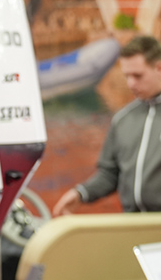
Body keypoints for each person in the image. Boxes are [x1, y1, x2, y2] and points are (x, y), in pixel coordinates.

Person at [53, 35, 161, 216]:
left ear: (159, 67)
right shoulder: (122, 119)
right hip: (131, 226)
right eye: (127, 76)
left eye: (137, 75)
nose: (131, 84)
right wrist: (80, 193)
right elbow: (110, 174)